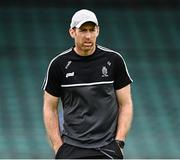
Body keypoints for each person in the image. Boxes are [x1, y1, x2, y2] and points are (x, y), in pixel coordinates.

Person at [42, 9, 133, 159]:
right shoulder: (58, 64)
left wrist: (119, 142)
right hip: (71, 148)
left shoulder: (114, 60)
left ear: (98, 31)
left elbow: (126, 104)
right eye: (83, 30)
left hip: (107, 148)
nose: (88, 35)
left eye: (92, 30)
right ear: (72, 32)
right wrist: (58, 147)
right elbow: (49, 107)